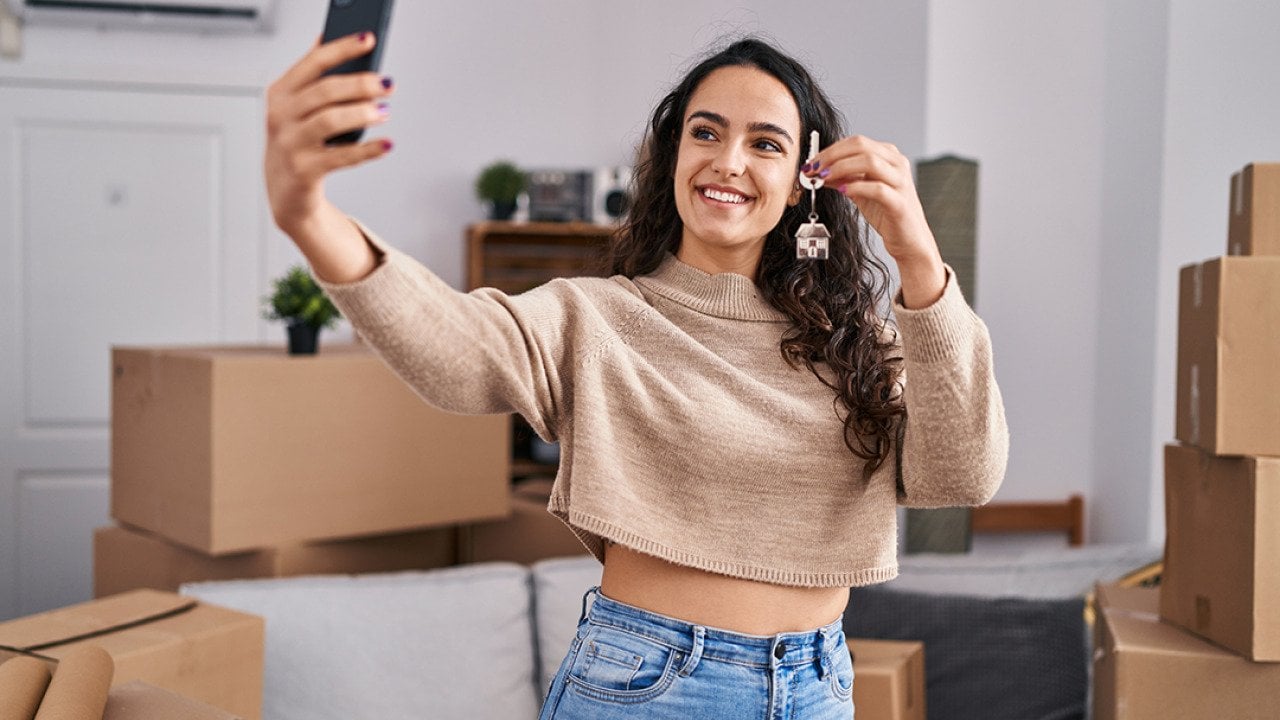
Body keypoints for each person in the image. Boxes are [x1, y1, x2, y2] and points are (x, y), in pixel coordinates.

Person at [265, 33, 1007, 720]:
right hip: (650, 688)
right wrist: (307, 215)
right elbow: (454, 353)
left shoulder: (856, 343)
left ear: (800, 185)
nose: (729, 162)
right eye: (706, 132)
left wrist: (916, 256)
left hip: (817, 688)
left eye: (765, 143)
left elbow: (964, 475)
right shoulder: (599, 319)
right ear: (672, 155)